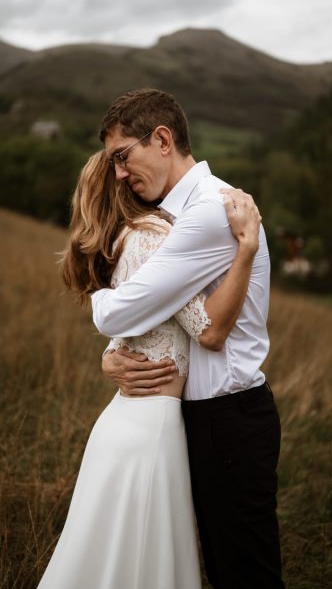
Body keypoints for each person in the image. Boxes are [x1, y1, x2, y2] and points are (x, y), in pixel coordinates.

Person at [36, 148, 261, 589]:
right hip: (150, 429)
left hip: (125, 420)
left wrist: (109, 357)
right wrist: (246, 250)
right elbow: (206, 330)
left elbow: (136, 330)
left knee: (107, 560)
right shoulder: (154, 236)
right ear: (123, 185)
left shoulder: (122, 242)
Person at [92, 89, 285, 589]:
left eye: (122, 157)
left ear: (161, 139)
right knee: (219, 568)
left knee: (245, 573)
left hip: (228, 417)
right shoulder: (175, 217)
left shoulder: (207, 212)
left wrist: (101, 311)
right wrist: (112, 359)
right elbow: (163, 317)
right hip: (199, 418)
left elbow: (129, 308)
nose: (118, 173)